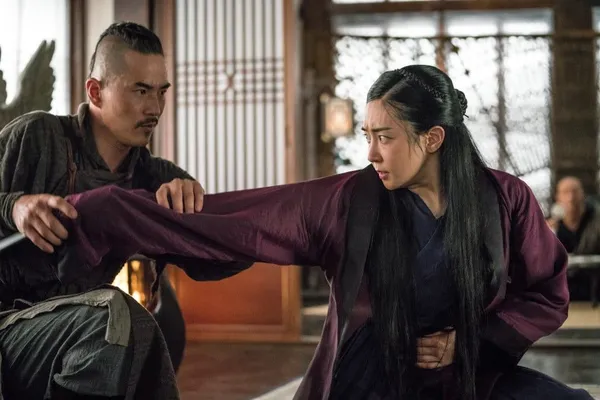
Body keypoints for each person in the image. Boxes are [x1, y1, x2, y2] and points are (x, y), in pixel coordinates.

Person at [57, 65, 591, 400]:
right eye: (367, 135)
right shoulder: (352, 200)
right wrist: (109, 209)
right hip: (372, 378)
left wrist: (466, 343)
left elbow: (546, 292)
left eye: (385, 137)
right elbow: (246, 219)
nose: (371, 152)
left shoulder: (505, 197)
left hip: (469, 374)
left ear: (432, 139)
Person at [0, 22, 209, 399]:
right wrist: (13, 206)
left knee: (131, 328)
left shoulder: (155, 178)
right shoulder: (36, 136)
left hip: (76, 331)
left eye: (161, 92)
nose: (155, 108)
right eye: (141, 90)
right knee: (113, 314)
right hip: (7, 328)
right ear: (95, 91)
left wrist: (192, 205)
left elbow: (215, 261)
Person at [548, 176, 600, 254]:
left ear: (583, 194)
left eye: (575, 192)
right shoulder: (551, 227)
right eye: (565, 192)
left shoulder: (596, 221)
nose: (571, 198)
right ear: (557, 197)